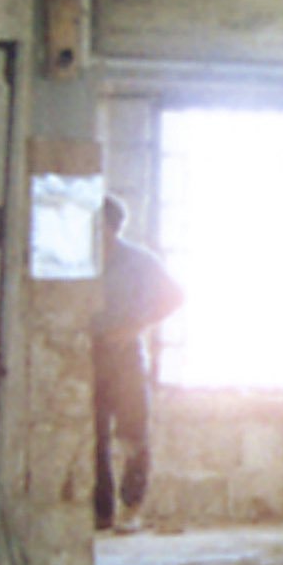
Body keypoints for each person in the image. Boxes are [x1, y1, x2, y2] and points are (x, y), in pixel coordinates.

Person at [94, 194, 184, 534]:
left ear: (111, 227)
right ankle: (100, 512)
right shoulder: (80, 260)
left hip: (124, 353)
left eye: (98, 225)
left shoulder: (139, 260)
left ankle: (131, 507)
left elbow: (175, 296)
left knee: (133, 429)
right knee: (93, 434)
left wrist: (134, 328)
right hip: (88, 352)